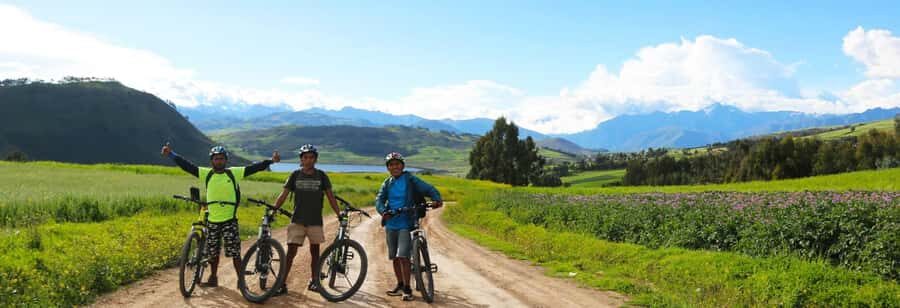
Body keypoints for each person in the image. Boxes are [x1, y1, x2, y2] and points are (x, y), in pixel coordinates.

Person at [161, 143, 279, 289]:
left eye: (221, 158)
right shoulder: (207, 173)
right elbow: (187, 166)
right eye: (216, 159)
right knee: (213, 253)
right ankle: (213, 277)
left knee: (235, 253)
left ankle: (241, 281)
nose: (219, 161)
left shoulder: (233, 173)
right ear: (212, 161)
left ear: (226, 160)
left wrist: (271, 161)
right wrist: (171, 154)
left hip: (229, 220)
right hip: (212, 220)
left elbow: (254, 168)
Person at [272, 144, 341, 295]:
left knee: (315, 252)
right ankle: (281, 283)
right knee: (290, 253)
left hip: (315, 221)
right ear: (301, 159)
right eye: (305, 158)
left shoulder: (321, 176)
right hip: (297, 220)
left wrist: (339, 214)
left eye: (311, 157)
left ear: (315, 159)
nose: (308, 160)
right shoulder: (295, 175)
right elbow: (283, 195)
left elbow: (331, 197)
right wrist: (273, 210)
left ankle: (314, 281)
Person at [375, 152, 443, 301]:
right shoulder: (387, 183)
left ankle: (407, 289)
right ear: (388, 168)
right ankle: (400, 284)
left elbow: (428, 188)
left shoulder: (410, 179)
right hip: (391, 223)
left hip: (407, 222)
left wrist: (437, 198)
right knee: (394, 257)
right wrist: (383, 211)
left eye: (397, 164)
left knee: (403, 256)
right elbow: (379, 199)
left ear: (402, 166)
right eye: (391, 165)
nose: (395, 167)